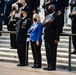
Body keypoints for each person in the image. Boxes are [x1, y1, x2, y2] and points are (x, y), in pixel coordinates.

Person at [42, 4, 60, 71]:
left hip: (52, 38)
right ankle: (49, 65)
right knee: (47, 52)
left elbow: (58, 28)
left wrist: (56, 38)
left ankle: (53, 65)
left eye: (50, 8)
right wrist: (46, 22)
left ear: (53, 9)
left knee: (52, 52)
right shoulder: (47, 16)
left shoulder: (56, 16)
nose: (48, 9)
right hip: (46, 37)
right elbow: (42, 25)